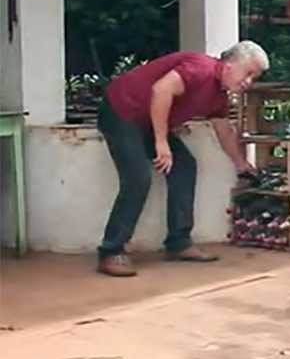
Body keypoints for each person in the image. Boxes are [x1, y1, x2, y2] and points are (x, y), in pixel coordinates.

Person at [96, 42, 270, 278]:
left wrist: (241, 164)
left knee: (185, 167)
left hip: (147, 121)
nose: (248, 82)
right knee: (138, 179)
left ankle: (179, 242)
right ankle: (111, 251)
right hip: (121, 110)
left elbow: (223, 130)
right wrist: (161, 142)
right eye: (248, 73)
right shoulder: (201, 68)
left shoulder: (218, 96)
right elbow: (161, 90)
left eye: (254, 77)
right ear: (230, 64)